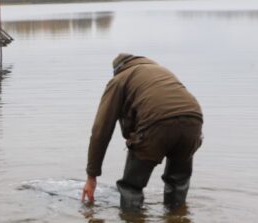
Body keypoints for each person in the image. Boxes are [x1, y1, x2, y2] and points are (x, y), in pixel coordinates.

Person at [81, 54, 203, 210]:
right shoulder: (162, 71)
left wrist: (92, 176)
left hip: (156, 123)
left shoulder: (119, 79)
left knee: (131, 187)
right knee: (178, 182)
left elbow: (101, 130)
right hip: (193, 122)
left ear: (117, 70)